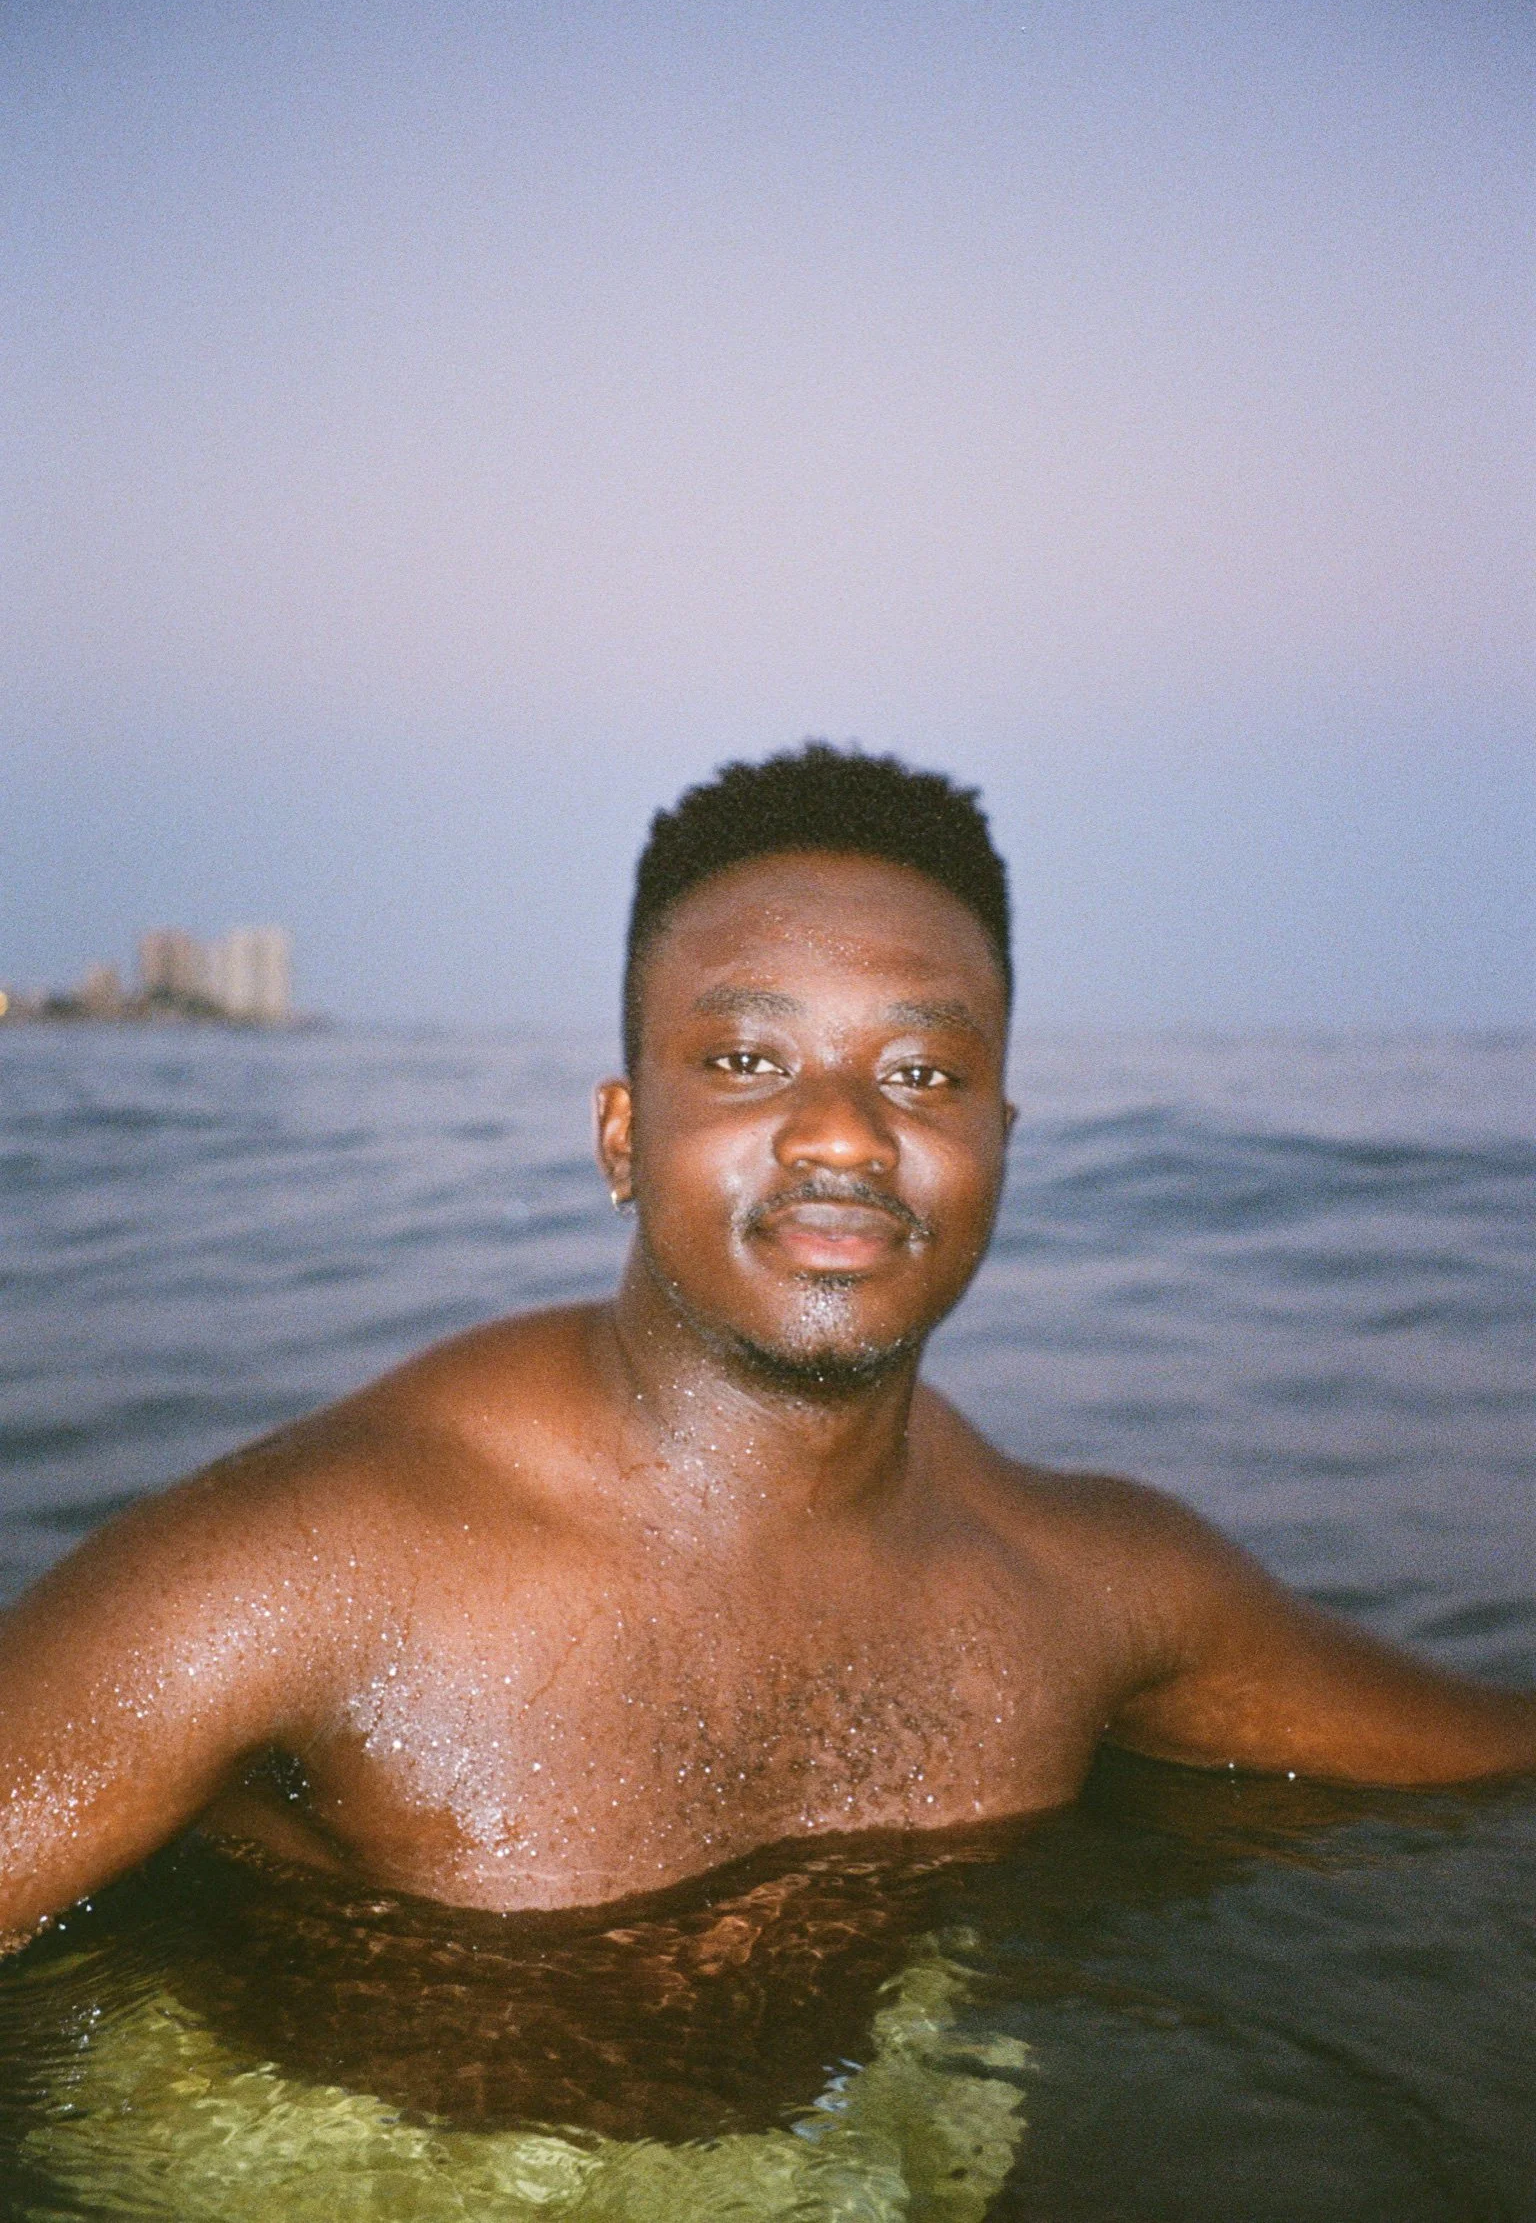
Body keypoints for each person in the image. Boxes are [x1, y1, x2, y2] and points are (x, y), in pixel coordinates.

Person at [2, 743, 1532, 1953]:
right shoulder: (297, 1572)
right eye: (746, 1058)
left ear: (999, 1145)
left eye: (922, 1073)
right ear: (622, 1133)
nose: (845, 1132)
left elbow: (1488, 1761)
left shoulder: (1092, 1591)